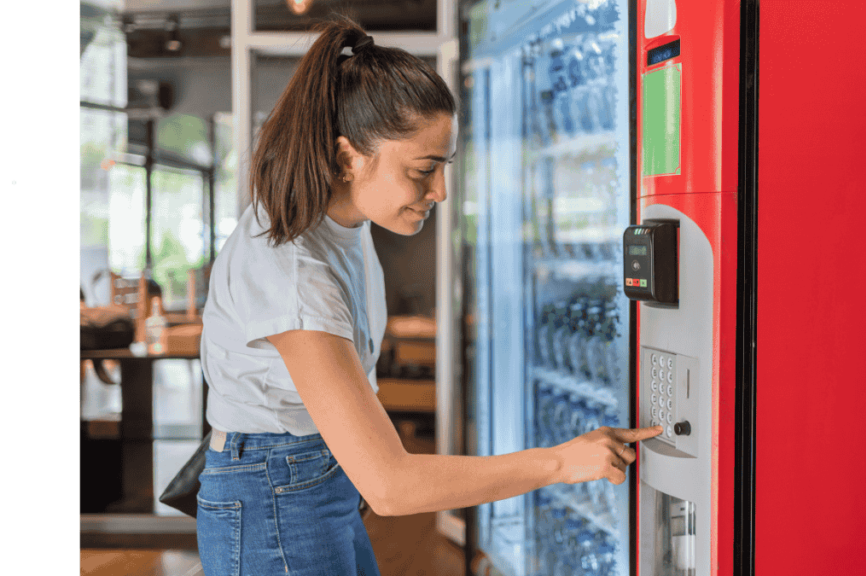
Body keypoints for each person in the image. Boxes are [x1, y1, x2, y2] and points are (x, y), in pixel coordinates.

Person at [196, 15, 662, 576]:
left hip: (309, 476)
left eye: (444, 167)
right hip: (276, 493)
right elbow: (391, 486)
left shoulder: (335, 221)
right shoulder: (294, 276)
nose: (440, 191)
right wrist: (562, 462)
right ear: (348, 159)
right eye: (424, 170)